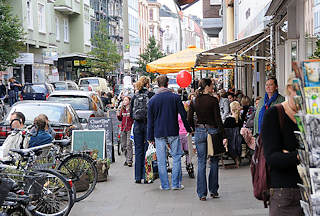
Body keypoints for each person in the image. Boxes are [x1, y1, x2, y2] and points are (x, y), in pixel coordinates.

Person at [261, 76, 303, 216]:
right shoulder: (274, 114)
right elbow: (272, 157)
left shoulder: (311, 115)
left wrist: (288, 154)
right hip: (285, 194)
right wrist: (299, 156)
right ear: (290, 90)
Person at [148, 75, 192, 190]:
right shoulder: (175, 98)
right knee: (177, 157)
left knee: (161, 160)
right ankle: (176, 184)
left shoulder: (152, 100)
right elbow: (183, 115)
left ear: (158, 84)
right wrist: (188, 129)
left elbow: (150, 120)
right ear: (167, 83)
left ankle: (165, 185)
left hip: (159, 132)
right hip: (173, 130)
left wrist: (149, 136)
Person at [187, 78, 226, 201]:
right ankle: (213, 191)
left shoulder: (194, 100)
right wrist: (224, 135)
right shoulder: (213, 100)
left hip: (199, 131)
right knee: (214, 161)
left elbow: (189, 118)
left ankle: (202, 193)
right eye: (212, 85)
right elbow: (218, 118)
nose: (213, 87)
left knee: (201, 162)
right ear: (207, 87)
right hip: (212, 132)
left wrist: (193, 128)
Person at [130, 76, 154, 184]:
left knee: (138, 151)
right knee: (147, 151)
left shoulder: (134, 96)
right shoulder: (151, 95)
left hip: (137, 125)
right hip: (148, 124)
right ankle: (147, 176)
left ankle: (137, 177)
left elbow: (131, 113)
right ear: (147, 84)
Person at [224, 101, 243, 168]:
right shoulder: (240, 120)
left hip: (230, 140)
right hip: (238, 140)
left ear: (231, 109)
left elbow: (225, 130)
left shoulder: (228, 119)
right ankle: (238, 158)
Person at [117, 96, 134, 167]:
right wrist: (118, 115)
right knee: (123, 145)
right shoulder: (122, 109)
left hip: (129, 128)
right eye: (124, 100)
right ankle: (127, 158)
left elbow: (133, 118)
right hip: (123, 129)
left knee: (128, 145)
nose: (124, 101)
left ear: (129, 101)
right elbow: (120, 119)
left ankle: (129, 160)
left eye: (126, 100)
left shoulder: (131, 109)